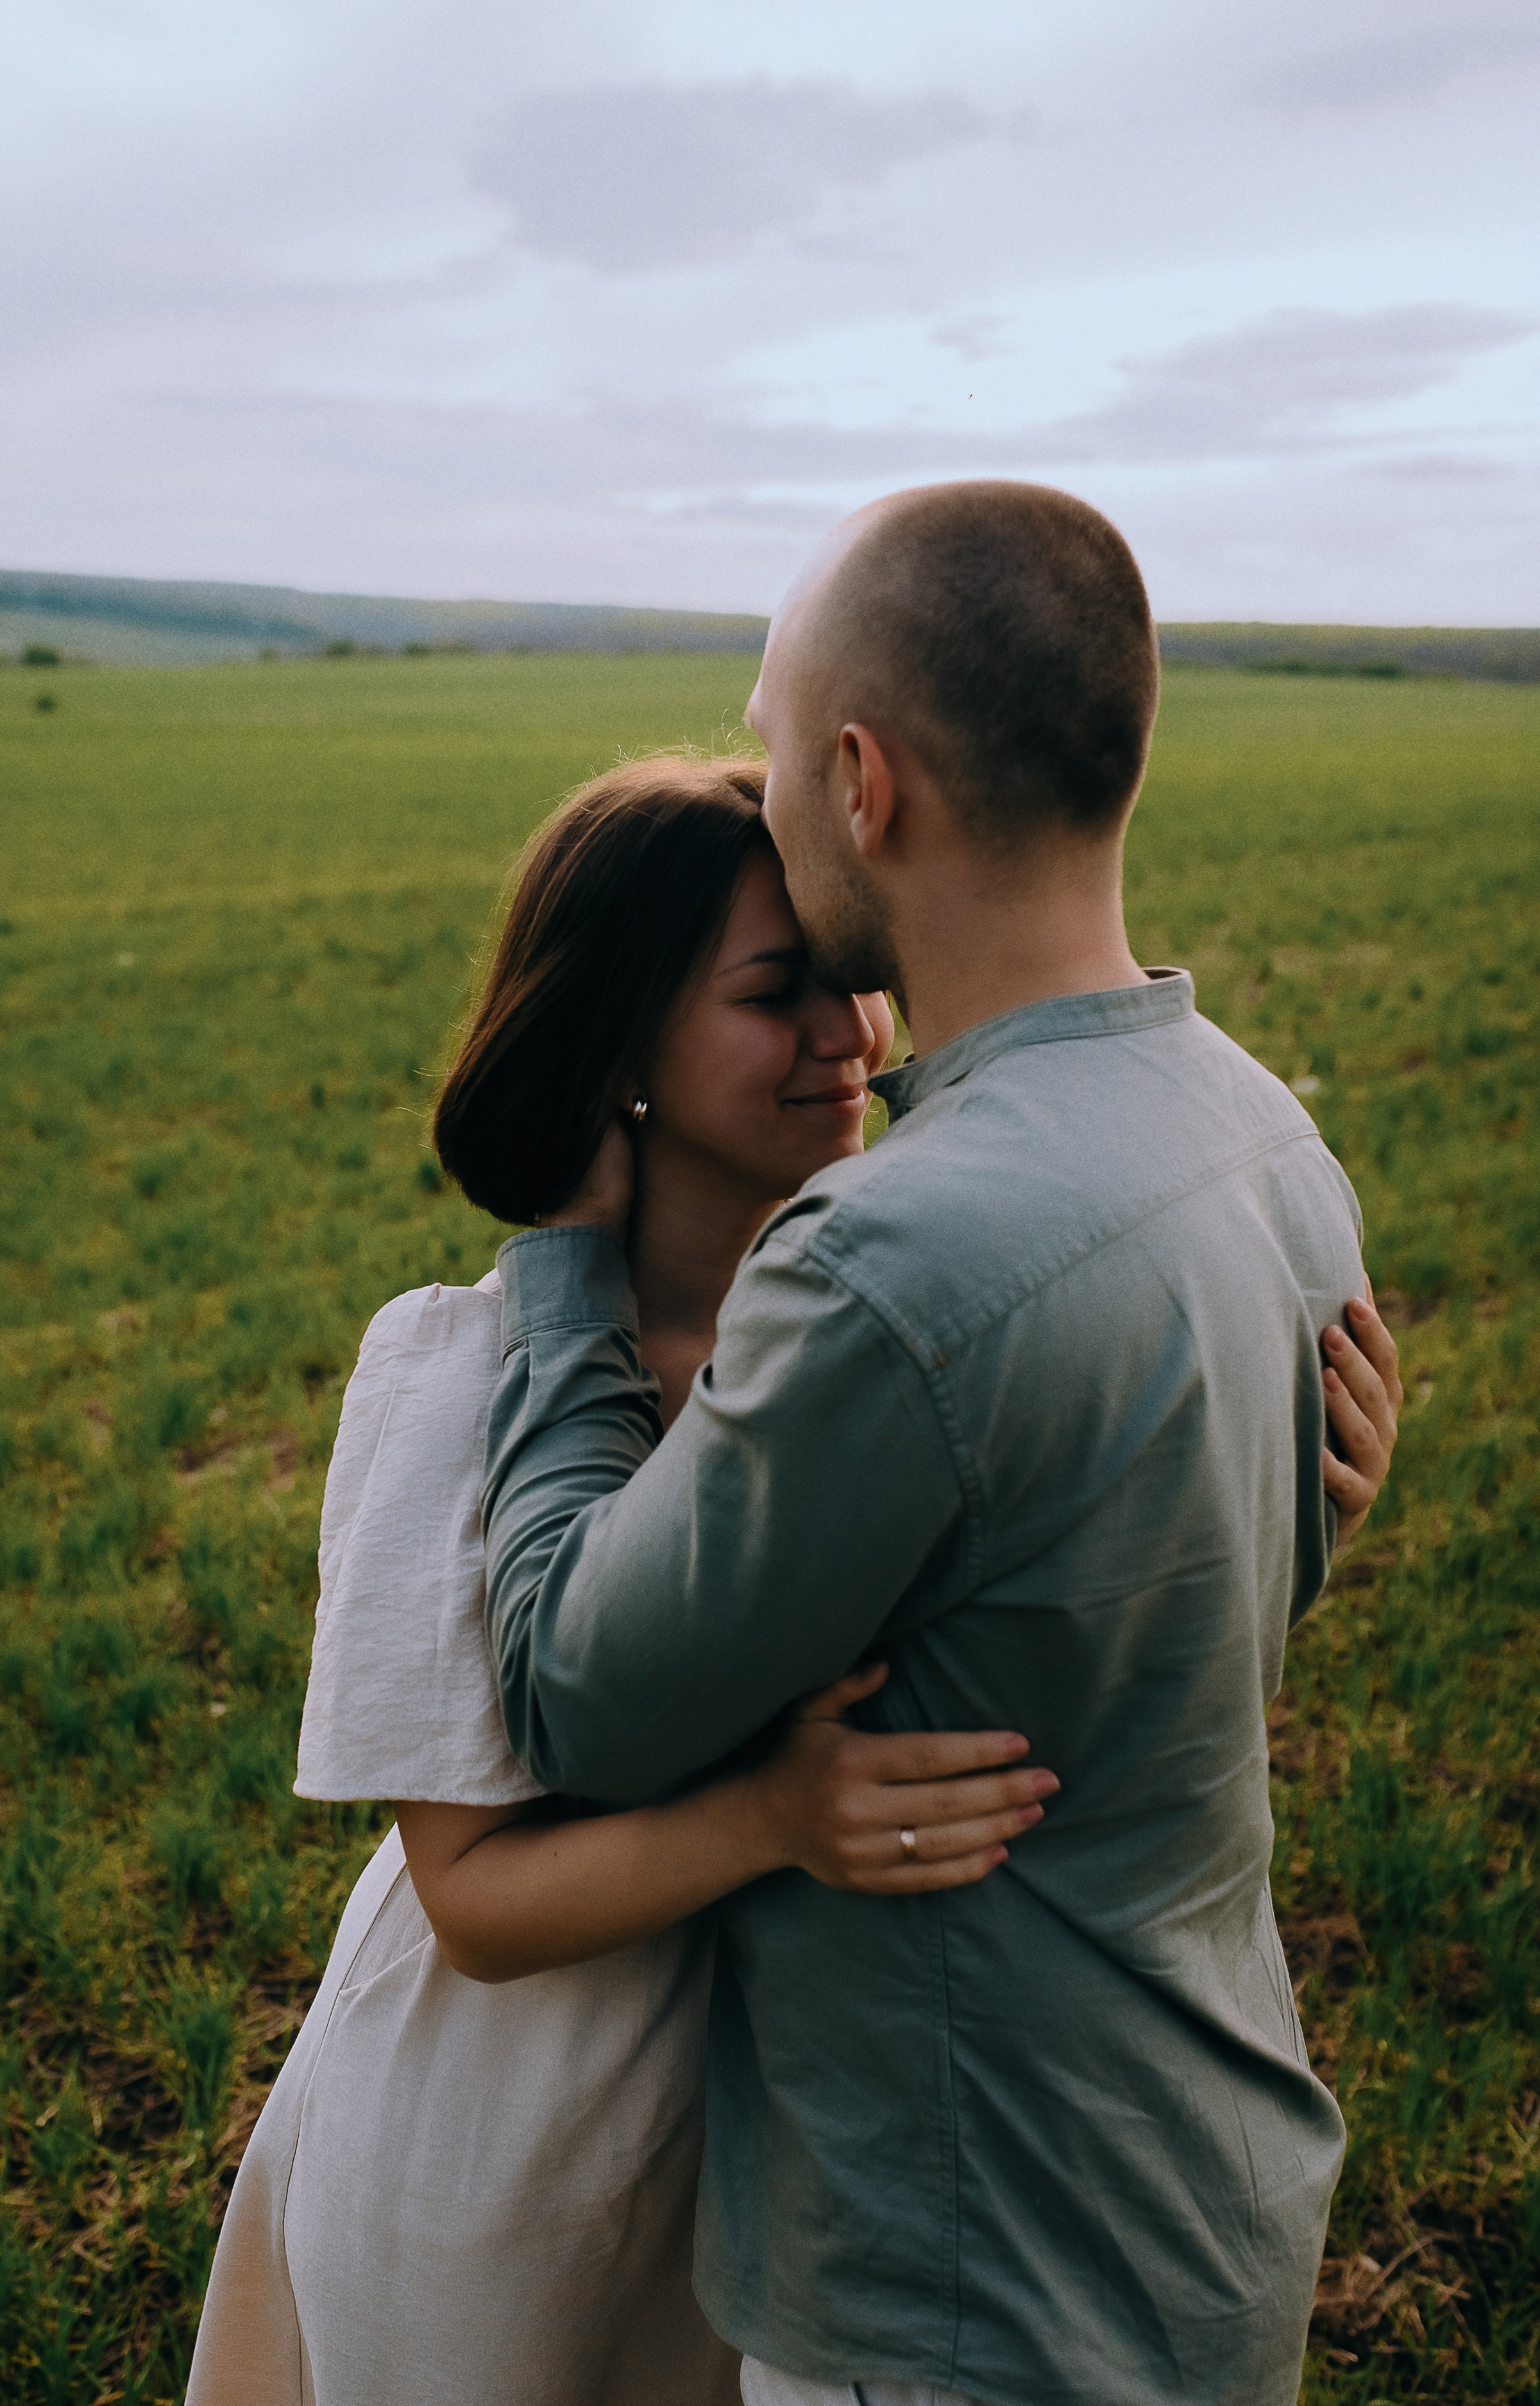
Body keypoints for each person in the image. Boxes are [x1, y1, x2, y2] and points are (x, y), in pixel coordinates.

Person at [480, 484, 1404, 2406]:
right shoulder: (1260, 1137)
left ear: (857, 779)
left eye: (765, 736)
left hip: (974, 2273)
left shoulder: (899, 1253)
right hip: (1208, 2195)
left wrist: (566, 1274)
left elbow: (575, 1690)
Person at [184, 757, 1075, 2406]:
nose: (847, 1041)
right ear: (621, 1055)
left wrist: (1311, 1476)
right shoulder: (452, 1380)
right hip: (512, 2145)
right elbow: (472, 1906)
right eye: (771, 995)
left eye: (848, 985)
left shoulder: (875, 1356)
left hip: (771, 2140)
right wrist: (770, 1820)